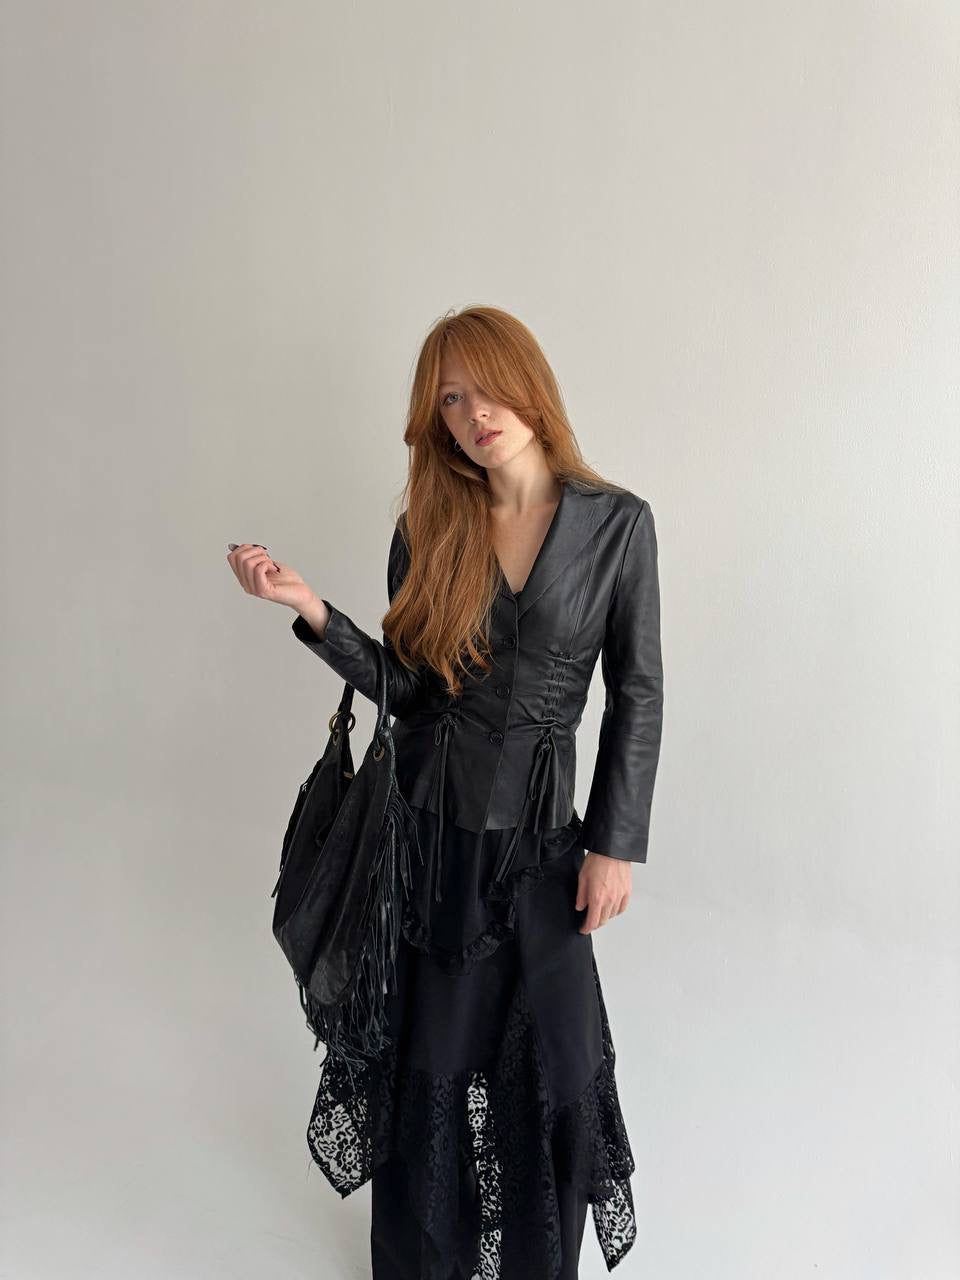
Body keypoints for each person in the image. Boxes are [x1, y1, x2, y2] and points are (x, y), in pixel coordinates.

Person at [227, 304, 664, 1279]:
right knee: (432, 1059)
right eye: (450, 400)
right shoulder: (430, 528)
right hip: (433, 840)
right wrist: (312, 611)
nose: (474, 414)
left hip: (545, 847)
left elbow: (638, 692)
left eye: (486, 388)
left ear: (530, 384)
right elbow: (413, 693)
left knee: (554, 1065)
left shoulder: (616, 525)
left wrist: (613, 842)